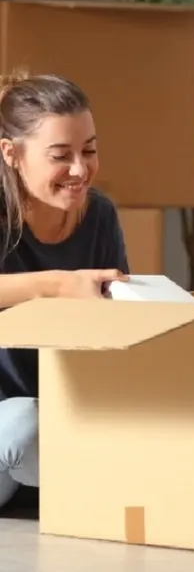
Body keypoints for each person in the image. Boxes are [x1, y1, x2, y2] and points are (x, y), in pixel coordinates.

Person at [0, 72, 130, 510]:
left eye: (89, 150)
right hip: (15, 425)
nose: (80, 169)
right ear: (11, 154)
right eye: (61, 155)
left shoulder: (100, 217)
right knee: (24, 424)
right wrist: (59, 285)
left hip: (69, 414)